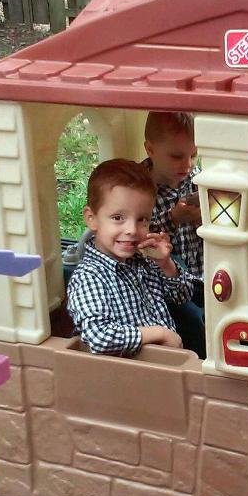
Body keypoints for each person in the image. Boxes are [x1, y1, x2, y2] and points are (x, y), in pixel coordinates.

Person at [67, 158, 193, 356]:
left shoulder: (144, 260)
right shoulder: (89, 276)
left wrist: (166, 264)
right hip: (123, 372)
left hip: (163, 364)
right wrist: (160, 333)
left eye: (142, 219)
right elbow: (99, 338)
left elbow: (183, 295)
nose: (132, 230)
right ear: (92, 218)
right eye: (118, 218)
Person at [141, 111, 206, 358]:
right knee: (194, 324)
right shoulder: (139, 187)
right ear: (151, 149)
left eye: (193, 155)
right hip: (163, 287)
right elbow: (140, 240)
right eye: (177, 156)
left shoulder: (196, 179)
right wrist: (173, 219)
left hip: (201, 275)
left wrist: (207, 218)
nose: (187, 164)